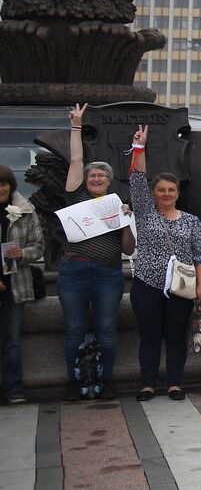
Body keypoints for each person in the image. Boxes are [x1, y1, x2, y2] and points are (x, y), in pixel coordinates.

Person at [126, 125, 201, 401]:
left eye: (171, 190)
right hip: (147, 285)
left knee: (175, 337)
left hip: (180, 289)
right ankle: (147, 383)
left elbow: (200, 256)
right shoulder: (146, 214)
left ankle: (174, 382)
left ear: (177, 193)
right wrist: (139, 148)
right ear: (154, 194)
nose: (166, 194)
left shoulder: (191, 221)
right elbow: (137, 179)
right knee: (149, 337)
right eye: (161, 190)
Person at [58, 103, 131, 401]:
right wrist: (76, 125)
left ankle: (106, 381)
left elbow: (129, 249)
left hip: (108, 273)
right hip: (74, 270)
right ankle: (75, 383)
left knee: (106, 329)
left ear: (110, 181)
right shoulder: (76, 197)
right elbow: (76, 160)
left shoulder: (117, 204)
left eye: (102, 176)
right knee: (74, 328)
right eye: (93, 176)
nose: (96, 178)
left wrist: (126, 220)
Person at [0, 166, 43, 403]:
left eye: (4, 183)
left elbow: (38, 246)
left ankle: (14, 389)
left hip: (15, 284)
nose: (1, 188)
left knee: (12, 339)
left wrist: (21, 253)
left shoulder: (25, 210)